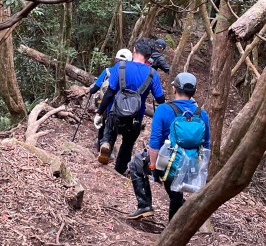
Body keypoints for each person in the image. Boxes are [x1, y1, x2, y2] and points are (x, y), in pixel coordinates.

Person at [127, 71, 210, 221]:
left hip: (167, 166)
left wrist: (153, 168)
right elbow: (206, 145)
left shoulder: (164, 109)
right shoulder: (202, 114)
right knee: (174, 189)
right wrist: (199, 170)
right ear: (194, 91)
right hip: (190, 168)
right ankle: (173, 225)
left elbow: (154, 142)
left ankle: (144, 205)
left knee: (136, 162)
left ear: (174, 89)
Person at [96, 38, 165, 175]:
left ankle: (106, 143)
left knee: (110, 130)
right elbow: (160, 99)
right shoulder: (152, 74)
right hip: (136, 117)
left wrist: (99, 112)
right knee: (128, 144)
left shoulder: (120, 66)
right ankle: (119, 169)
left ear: (134, 50)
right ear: (149, 56)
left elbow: (109, 92)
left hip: (116, 112)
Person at [88, 48, 133, 150]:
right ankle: (109, 149)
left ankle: (100, 146)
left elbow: (94, 89)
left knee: (103, 125)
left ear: (116, 59)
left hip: (105, 105)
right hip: (122, 108)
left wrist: (91, 89)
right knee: (114, 128)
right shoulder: (130, 76)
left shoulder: (108, 72)